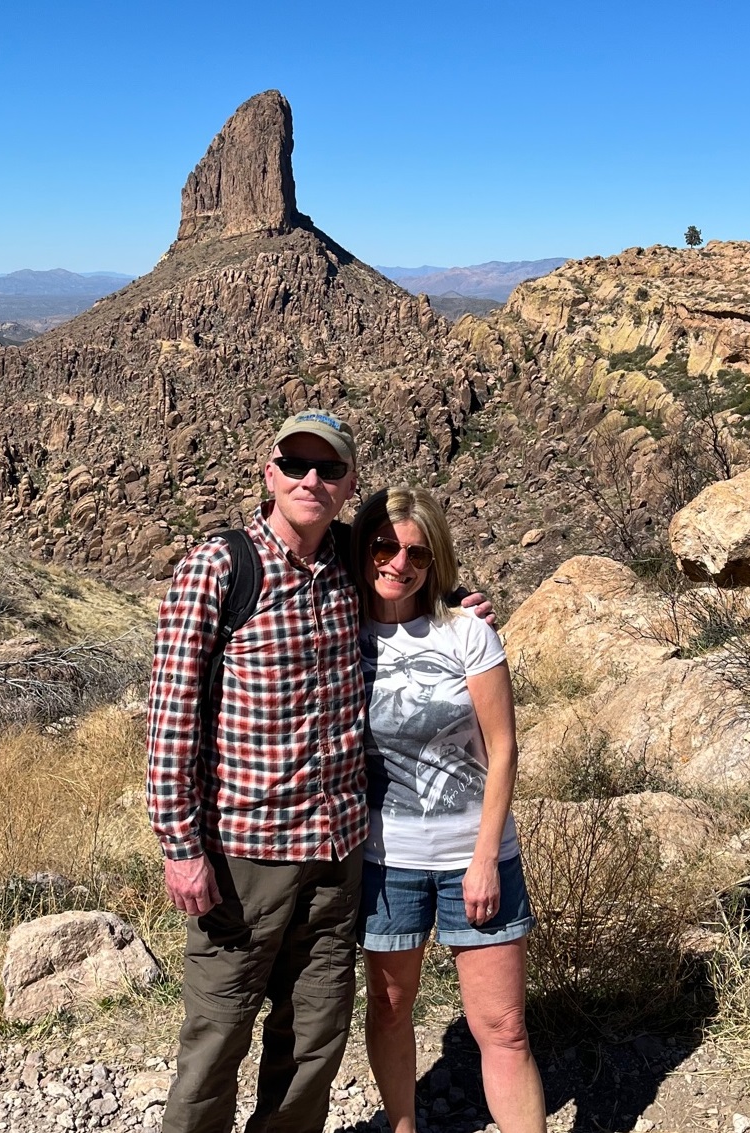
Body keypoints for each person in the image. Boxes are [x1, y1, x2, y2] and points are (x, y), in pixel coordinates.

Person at [146, 411, 490, 1133]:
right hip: (245, 851)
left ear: (348, 484)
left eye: (328, 469)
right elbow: (172, 717)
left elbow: (408, 580)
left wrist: (459, 605)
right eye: (295, 465)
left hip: (337, 852)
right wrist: (181, 848)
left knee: (314, 1038)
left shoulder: (349, 560)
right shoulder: (220, 567)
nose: (311, 480)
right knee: (217, 1035)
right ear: (268, 473)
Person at [351, 487, 546, 1133]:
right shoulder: (341, 633)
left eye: (417, 552)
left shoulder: (466, 631)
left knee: (503, 1027)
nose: (398, 563)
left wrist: (485, 859)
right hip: (386, 863)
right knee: (388, 1010)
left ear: (436, 559)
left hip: (475, 855)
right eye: (384, 546)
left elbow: (503, 747)